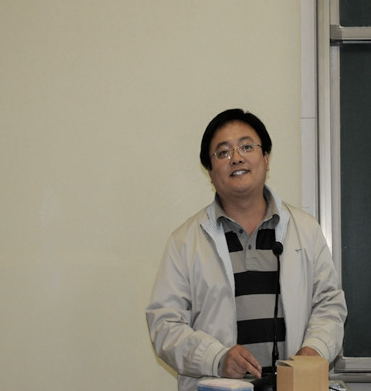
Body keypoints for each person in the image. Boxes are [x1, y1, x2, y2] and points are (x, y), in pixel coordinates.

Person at [145, 109, 347, 391]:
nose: (237, 158)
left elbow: (329, 303)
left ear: (266, 159)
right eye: (223, 152)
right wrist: (217, 358)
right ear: (210, 172)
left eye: (247, 147)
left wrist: (314, 350)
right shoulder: (185, 241)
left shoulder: (305, 229)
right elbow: (164, 325)